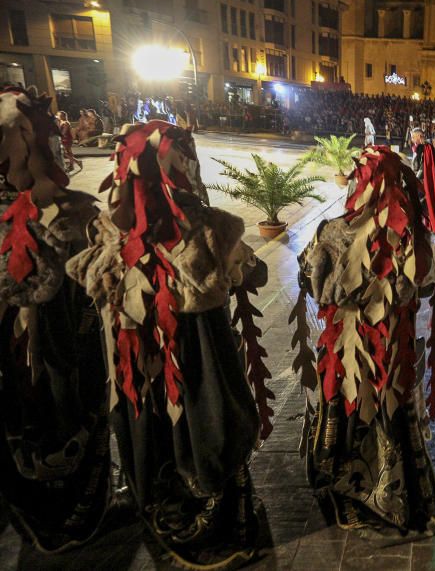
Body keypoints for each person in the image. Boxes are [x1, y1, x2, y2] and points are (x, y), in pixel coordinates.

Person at [66, 120, 270, 568]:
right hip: (197, 370)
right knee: (203, 427)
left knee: (155, 428)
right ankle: (219, 521)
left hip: (140, 370)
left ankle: (161, 507)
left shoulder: (110, 237)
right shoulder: (208, 231)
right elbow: (255, 274)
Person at [297, 145, 435, 538]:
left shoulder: (331, 231)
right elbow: (426, 284)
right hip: (391, 353)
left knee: (350, 404)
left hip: (349, 349)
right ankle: (392, 489)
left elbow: (316, 286)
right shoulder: (411, 238)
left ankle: (350, 476)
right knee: (388, 410)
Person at [0, 86, 110, 553]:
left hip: (68, 335)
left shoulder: (71, 212)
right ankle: (47, 508)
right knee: (37, 415)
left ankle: (68, 502)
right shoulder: (64, 215)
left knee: (66, 410)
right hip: (29, 347)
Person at [410, 126, 435, 233]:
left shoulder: (424, 147)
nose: (412, 139)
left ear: (419, 136)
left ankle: (423, 224)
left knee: (420, 202)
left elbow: (423, 166)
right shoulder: (422, 146)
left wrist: (416, 179)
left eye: (413, 137)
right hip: (420, 178)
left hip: (422, 180)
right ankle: (425, 224)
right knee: (423, 203)